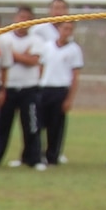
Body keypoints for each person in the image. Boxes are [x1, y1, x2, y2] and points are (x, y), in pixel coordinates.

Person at [0, 3, 50, 169]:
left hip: (29, 88)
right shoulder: (4, 38)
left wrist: (14, 55)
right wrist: (21, 55)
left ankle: (33, 159)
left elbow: (33, 61)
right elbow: (3, 60)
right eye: (21, 17)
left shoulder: (37, 40)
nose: (23, 21)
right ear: (15, 19)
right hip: (8, 87)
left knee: (32, 125)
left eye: (27, 18)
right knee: (3, 125)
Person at [37, 17, 83, 166]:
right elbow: (41, 67)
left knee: (56, 127)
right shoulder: (47, 46)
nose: (67, 32)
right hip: (45, 88)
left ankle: (53, 156)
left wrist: (69, 98)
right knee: (38, 124)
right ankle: (36, 154)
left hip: (60, 90)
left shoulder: (74, 50)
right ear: (58, 29)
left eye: (70, 29)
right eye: (65, 28)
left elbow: (75, 76)